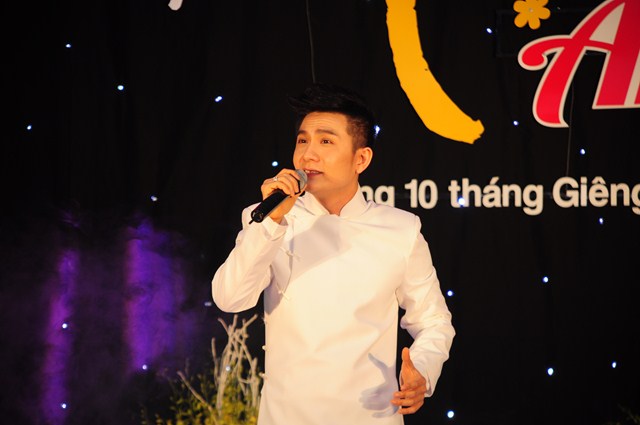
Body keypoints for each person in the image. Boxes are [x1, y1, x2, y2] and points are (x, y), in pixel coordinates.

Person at [211, 83, 454, 425]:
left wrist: (422, 372)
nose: (308, 155)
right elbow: (230, 298)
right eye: (302, 141)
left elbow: (434, 321)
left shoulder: (401, 228)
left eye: (325, 141)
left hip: (372, 416)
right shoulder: (268, 219)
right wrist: (270, 223)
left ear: (361, 159)